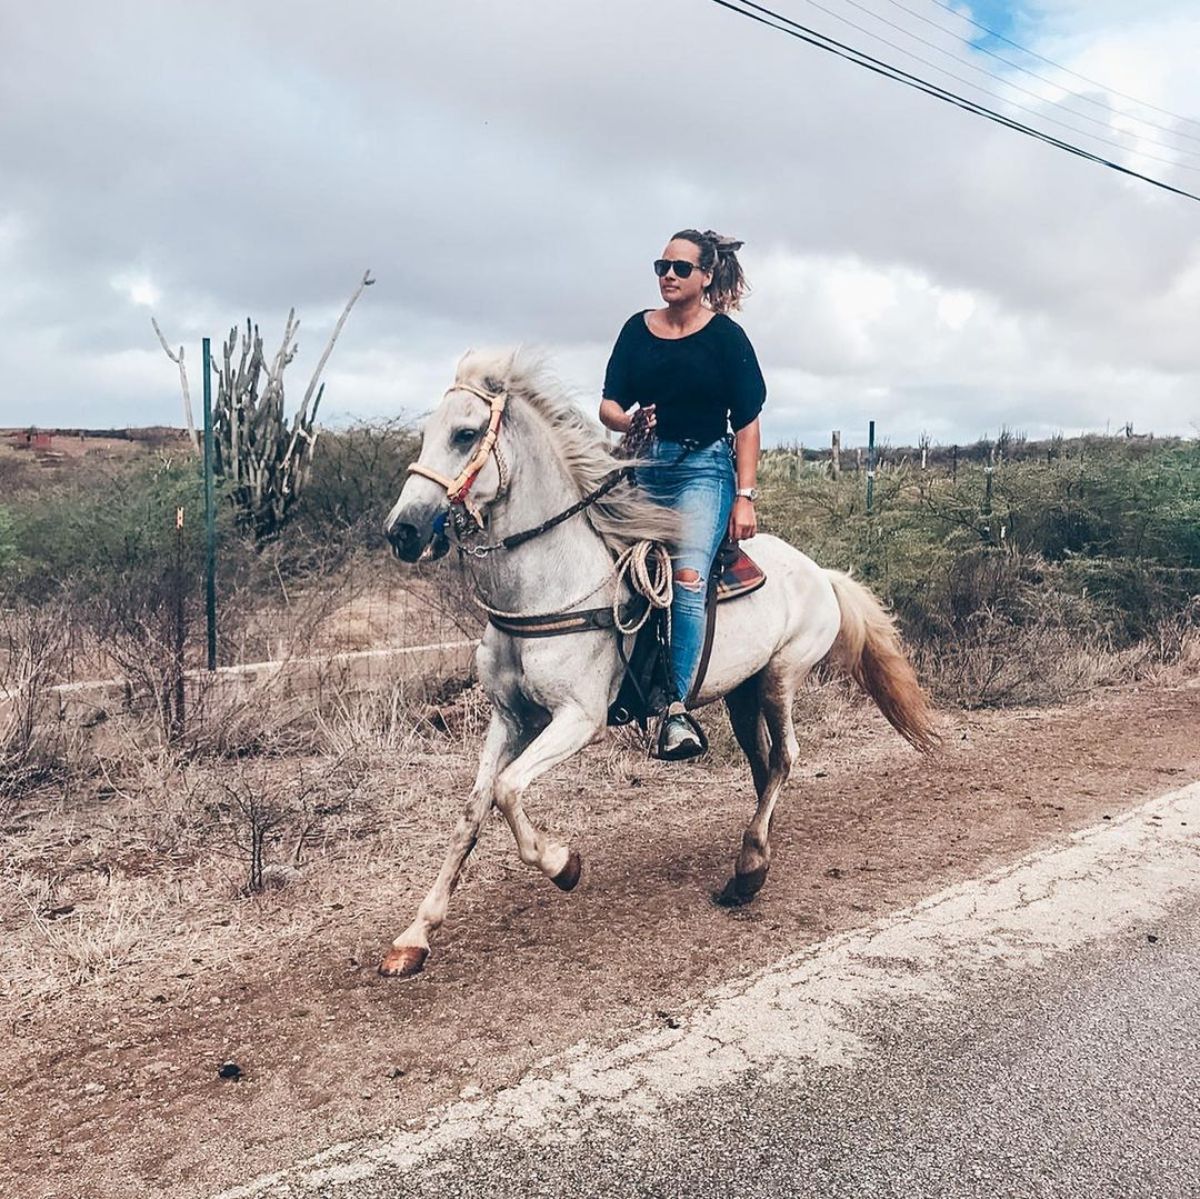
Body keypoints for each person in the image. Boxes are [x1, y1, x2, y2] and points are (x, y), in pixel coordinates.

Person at [599, 228, 765, 760]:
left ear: (706, 276)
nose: (668, 276)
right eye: (661, 267)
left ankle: (675, 710)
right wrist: (625, 418)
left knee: (688, 577)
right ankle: (608, 685)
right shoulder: (636, 330)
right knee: (609, 567)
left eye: (680, 268)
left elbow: (747, 424)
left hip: (703, 469)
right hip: (644, 464)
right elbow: (607, 405)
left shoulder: (726, 339)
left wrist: (745, 496)